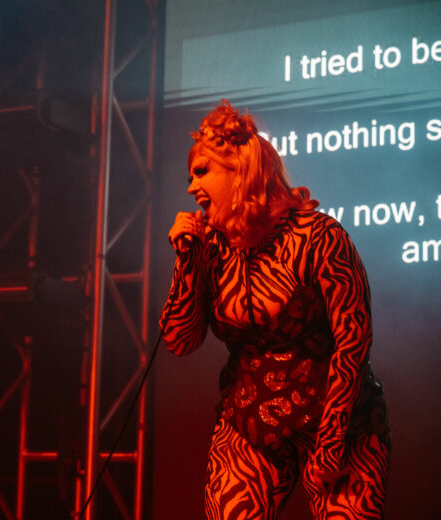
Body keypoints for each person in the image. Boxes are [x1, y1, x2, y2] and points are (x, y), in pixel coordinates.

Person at [160, 101, 390, 519]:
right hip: (248, 423)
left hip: (338, 417)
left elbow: (354, 340)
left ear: (241, 171)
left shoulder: (319, 236)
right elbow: (179, 341)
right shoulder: (211, 248)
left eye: (201, 172)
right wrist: (187, 262)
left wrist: (333, 440)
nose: (192, 188)